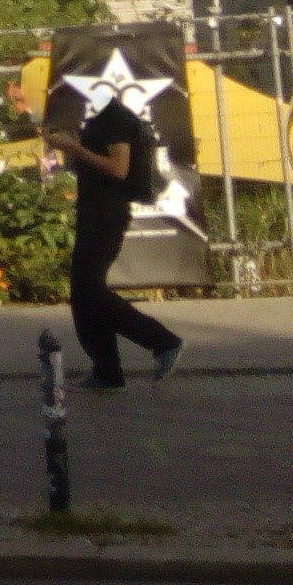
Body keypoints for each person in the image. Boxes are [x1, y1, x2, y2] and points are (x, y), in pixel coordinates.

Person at [45, 92, 185, 388]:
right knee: (83, 294)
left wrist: (74, 148)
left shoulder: (114, 118)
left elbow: (118, 168)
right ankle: (106, 370)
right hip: (94, 210)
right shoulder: (98, 119)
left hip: (106, 214)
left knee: (90, 291)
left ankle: (162, 341)